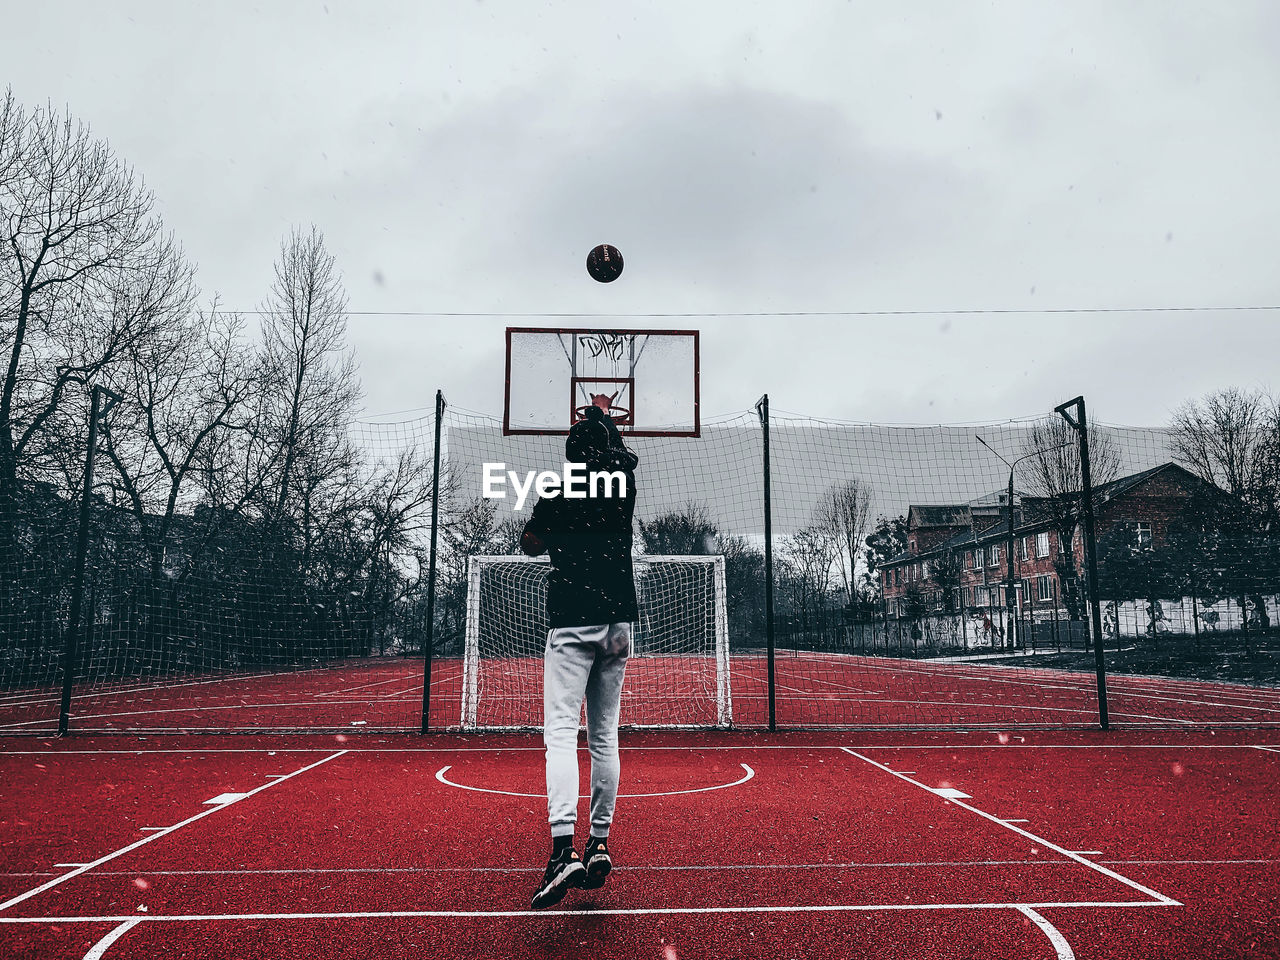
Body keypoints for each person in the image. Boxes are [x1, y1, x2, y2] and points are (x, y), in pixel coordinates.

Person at [521, 397, 639, 910]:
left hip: (573, 617)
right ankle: (599, 843)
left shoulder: (557, 489)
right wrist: (602, 418)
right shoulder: (624, 486)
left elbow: (528, 544)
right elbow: (617, 454)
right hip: (620, 620)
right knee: (605, 736)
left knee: (561, 735)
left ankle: (561, 851)